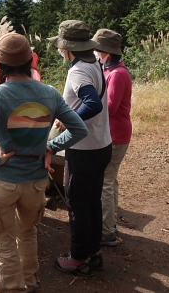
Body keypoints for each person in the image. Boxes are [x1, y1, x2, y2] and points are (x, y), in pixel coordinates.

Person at [0, 33, 88, 293]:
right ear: (30, 60)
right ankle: (30, 281)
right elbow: (79, 129)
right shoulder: (49, 93)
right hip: (36, 180)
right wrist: (50, 146)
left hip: (3, 180)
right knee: (27, 233)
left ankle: (13, 288)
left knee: (4, 241)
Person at [49, 20, 112, 276]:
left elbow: (93, 103)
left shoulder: (78, 72)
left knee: (77, 203)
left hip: (84, 149)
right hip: (102, 144)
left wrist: (69, 119)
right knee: (92, 201)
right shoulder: (94, 61)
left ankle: (77, 258)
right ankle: (93, 251)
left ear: (68, 48)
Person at [92, 29, 132, 247]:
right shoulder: (110, 70)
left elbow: (110, 107)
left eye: (98, 49)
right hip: (113, 132)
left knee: (106, 182)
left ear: (106, 51)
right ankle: (111, 225)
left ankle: (107, 231)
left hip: (116, 133)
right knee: (110, 180)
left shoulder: (117, 74)